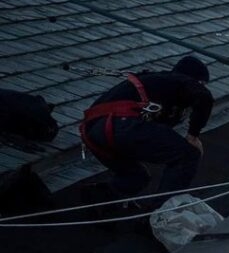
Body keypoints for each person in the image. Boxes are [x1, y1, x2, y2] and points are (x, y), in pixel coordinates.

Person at [80, 55, 211, 198]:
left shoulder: (156, 85)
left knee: (136, 177)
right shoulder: (179, 80)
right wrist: (193, 135)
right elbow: (204, 97)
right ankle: (163, 214)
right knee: (188, 154)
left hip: (93, 134)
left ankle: (96, 200)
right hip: (121, 125)